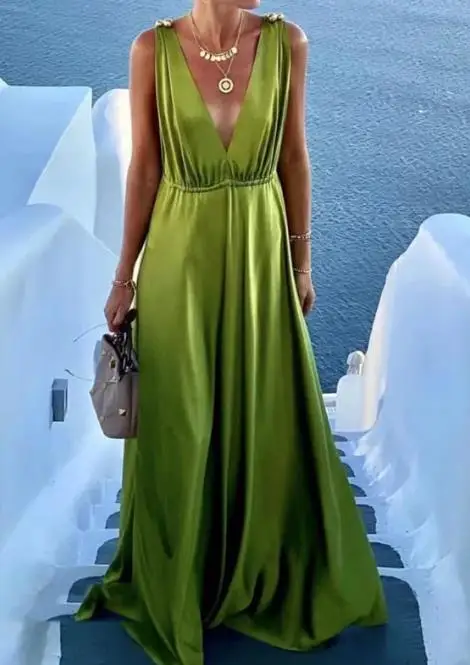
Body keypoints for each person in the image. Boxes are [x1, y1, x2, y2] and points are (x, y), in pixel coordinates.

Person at [76, 2, 387, 664]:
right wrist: (124, 278)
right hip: (177, 263)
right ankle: (179, 579)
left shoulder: (287, 42)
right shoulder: (151, 50)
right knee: (180, 420)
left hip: (259, 260)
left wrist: (302, 262)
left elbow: (294, 157)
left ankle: (258, 565)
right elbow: (145, 170)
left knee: (260, 414)